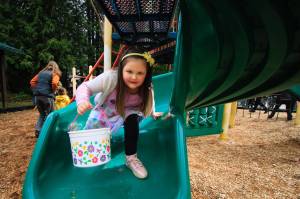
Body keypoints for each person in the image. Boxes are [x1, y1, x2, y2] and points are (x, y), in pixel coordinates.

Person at [75, 47, 162, 179]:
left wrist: (152, 113)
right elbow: (86, 86)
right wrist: (82, 101)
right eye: (129, 71)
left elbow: (150, 98)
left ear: (146, 74)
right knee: (92, 139)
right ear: (121, 69)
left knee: (132, 120)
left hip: (128, 112)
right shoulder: (110, 78)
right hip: (106, 110)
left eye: (140, 73)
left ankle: (131, 158)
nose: (134, 77)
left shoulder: (146, 86)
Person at [30, 61, 61, 137]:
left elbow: (32, 82)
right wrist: (53, 90)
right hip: (47, 97)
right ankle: (49, 131)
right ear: (56, 67)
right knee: (51, 114)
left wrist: (37, 89)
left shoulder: (40, 73)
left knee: (42, 114)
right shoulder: (55, 73)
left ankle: (38, 131)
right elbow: (54, 83)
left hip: (37, 96)